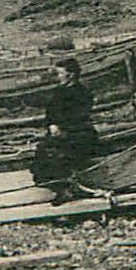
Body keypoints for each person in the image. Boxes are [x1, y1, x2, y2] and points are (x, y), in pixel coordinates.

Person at [30, 58, 101, 188]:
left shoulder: (83, 93)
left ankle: (67, 186)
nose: (59, 77)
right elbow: (50, 113)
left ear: (71, 75)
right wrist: (51, 124)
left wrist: (61, 129)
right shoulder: (59, 91)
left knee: (58, 153)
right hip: (59, 132)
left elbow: (78, 116)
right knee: (43, 150)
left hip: (78, 132)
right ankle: (56, 185)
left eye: (61, 74)